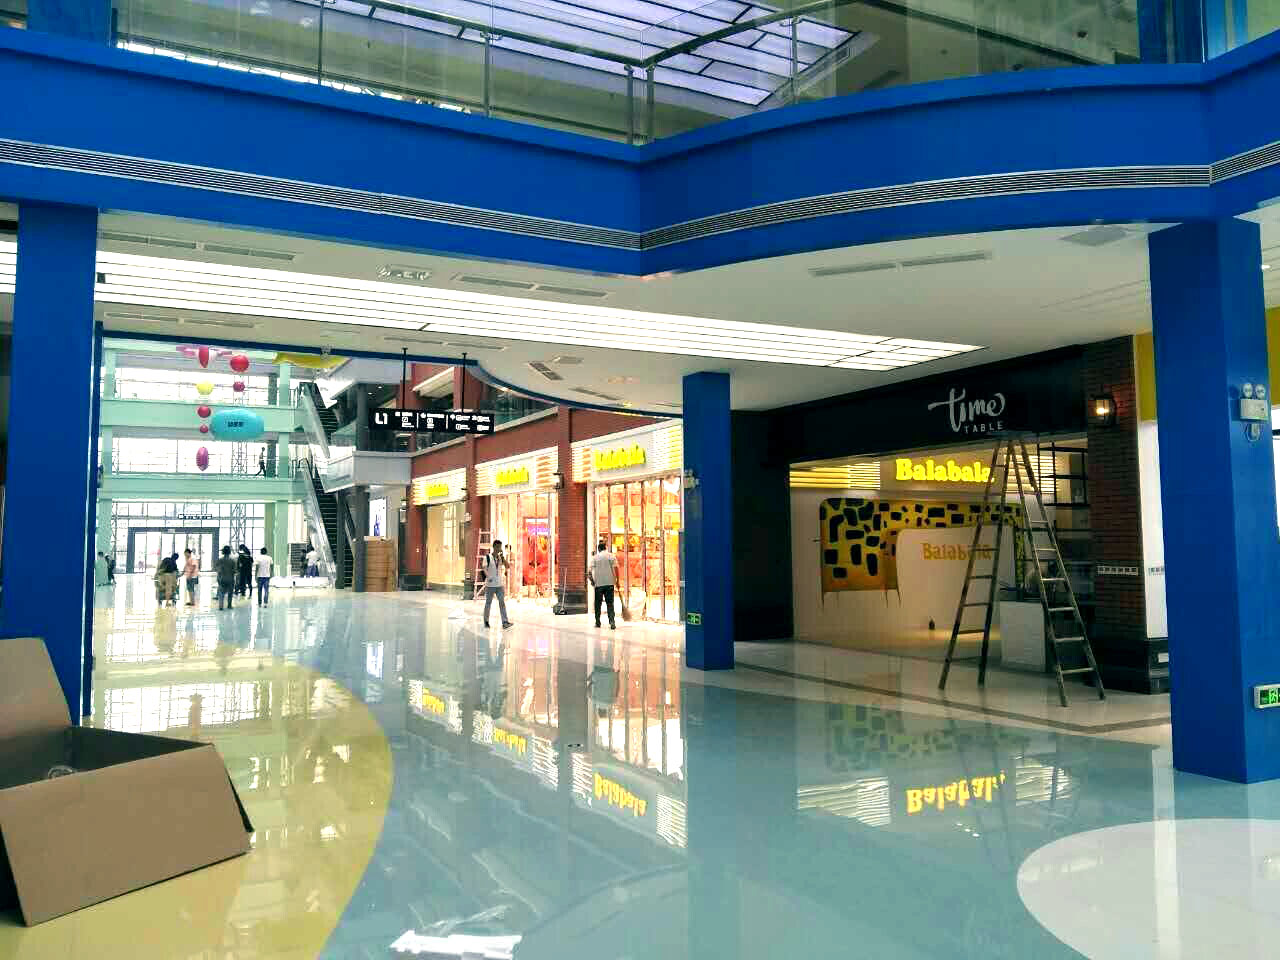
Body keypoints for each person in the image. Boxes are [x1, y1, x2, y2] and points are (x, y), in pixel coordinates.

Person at [588, 539, 619, 630]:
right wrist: (617, 580)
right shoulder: (611, 556)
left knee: (598, 604)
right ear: (605, 548)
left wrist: (592, 581)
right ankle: (612, 622)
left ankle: (598, 622)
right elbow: (616, 568)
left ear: (598, 549)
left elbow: (589, 572)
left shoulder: (595, 558)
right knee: (610, 604)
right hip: (609, 583)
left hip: (599, 584)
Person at [482, 540, 513, 630]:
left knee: (502, 603)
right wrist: (488, 577)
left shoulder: (500, 558)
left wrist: (503, 557)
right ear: (494, 547)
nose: (499, 549)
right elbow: (484, 568)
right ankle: (486, 621)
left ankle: (505, 622)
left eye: (500, 547)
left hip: (499, 585)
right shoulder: (487, 557)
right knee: (488, 603)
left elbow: (508, 566)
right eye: (498, 547)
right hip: (490, 585)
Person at [216, 545, 238, 610]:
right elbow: (235, 571)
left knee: (221, 592)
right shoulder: (233, 561)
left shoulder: (220, 560)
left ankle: (221, 606)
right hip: (230, 579)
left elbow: (218, 570)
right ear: (229, 552)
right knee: (230, 593)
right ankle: (229, 605)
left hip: (222, 578)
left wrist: (219, 577)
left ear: (223, 551)